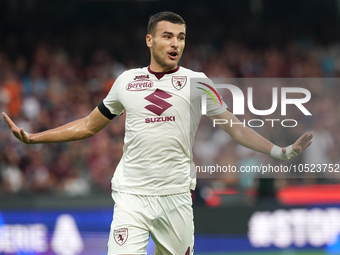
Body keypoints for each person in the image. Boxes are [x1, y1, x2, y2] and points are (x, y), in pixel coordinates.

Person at [2, 11, 313, 255]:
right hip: (132, 195)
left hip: (176, 196)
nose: (175, 43)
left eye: (181, 37)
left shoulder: (198, 82)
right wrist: (35, 138)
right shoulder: (126, 81)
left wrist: (279, 151)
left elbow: (233, 126)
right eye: (167, 36)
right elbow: (87, 125)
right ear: (149, 40)